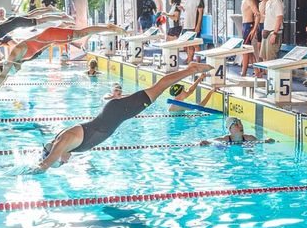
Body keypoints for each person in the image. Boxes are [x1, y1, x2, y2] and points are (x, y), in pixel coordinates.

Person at [37, 63, 213, 171]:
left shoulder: (64, 141)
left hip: (117, 111)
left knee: (158, 89)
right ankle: (191, 69)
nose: (65, 162)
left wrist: (25, 172)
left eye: (61, 163)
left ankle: (192, 69)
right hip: (115, 114)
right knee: (157, 90)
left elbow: (44, 165)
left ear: (57, 154)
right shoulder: (65, 144)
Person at [0, 24, 124, 98]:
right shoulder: (18, 60)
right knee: (80, 34)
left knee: (81, 33)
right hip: (51, 38)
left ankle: (109, 28)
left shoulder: (15, 54)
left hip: (52, 35)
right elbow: (2, 76)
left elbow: (2, 76)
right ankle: (108, 28)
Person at [235, 0, 260, 78]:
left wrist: (254, 29)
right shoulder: (244, 0)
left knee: (245, 50)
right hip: (245, 26)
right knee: (248, 50)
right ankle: (256, 71)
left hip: (249, 26)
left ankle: (244, 72)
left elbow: (257, 14)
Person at [258, 0, 284, 69]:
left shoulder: (277, 1)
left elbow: (279, 17)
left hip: (273, 33)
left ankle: (272, 81)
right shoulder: (268, 2)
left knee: (271, 58)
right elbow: (270, 17)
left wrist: (275, 33)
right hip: (267, 32)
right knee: (264, 57)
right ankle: (267, 80)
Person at [179, 0, 205, 65]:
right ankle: (190, 59)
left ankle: (198, 61)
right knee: (188, 44)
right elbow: (187, 10)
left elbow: (200, 13)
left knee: (195, 44)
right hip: (187, 24)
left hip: (193, 25)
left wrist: (198, 25)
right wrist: (182, 8)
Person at [200, 116, 275, 145]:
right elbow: (211, 141)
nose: (240, 126)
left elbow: (260, 142)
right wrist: (206, 142)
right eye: (236, 125)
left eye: (241, 124)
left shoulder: (250, 138)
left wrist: (267, 141)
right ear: (230, 129)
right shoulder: (225, 139)